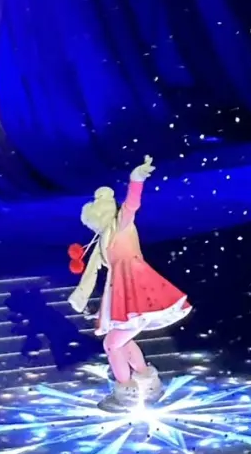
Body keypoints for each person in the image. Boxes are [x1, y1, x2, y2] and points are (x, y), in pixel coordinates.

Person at [69, 156, 191, 412]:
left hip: (137, 290)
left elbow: (131, 206)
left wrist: (136, 181)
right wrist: (89, 305)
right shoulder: (103, 239)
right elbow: (93, 273)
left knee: (111, 344)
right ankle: (147, 381)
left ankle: (126, 392)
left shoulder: (121, 226)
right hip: (124, 293)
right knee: (121, 341)